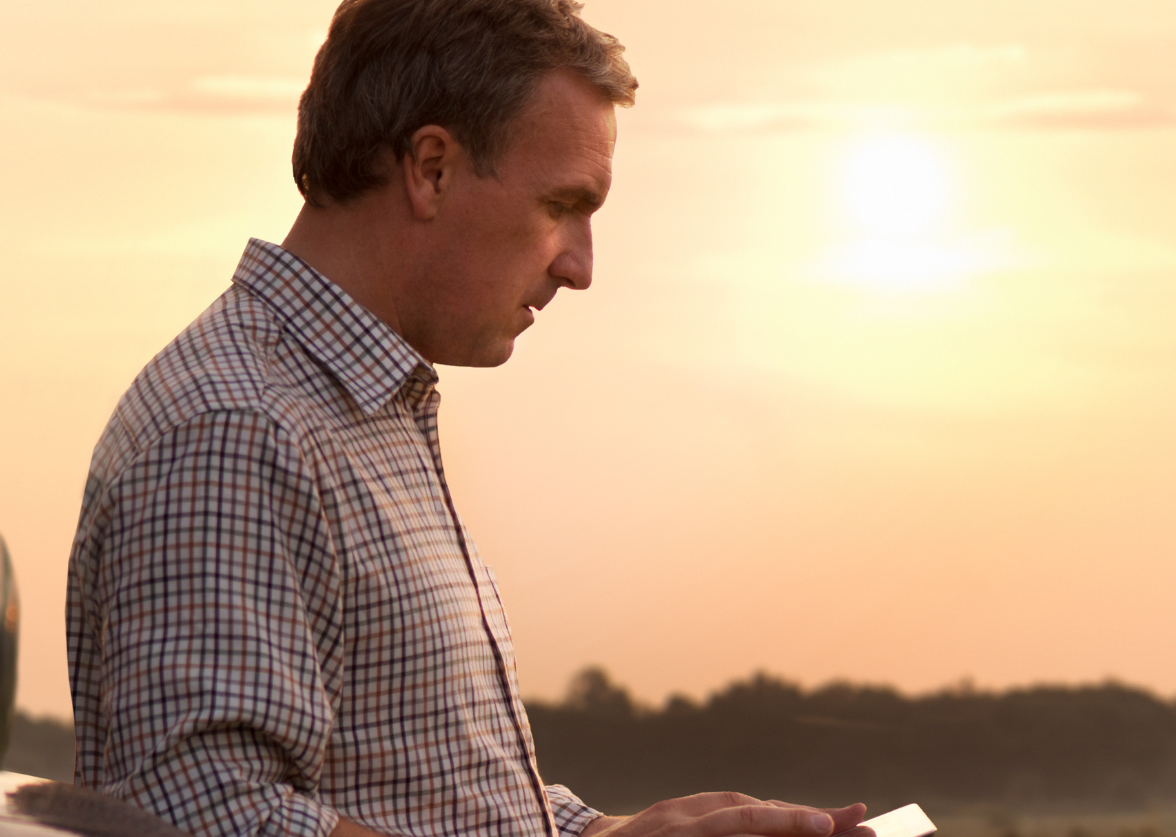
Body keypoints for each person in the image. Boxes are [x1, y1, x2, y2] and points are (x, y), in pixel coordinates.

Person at [66, 2, 872, 837]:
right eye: (562, 203)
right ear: (432, 167)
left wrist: (609, 832)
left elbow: (423, 791)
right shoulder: (235, 428)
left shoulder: (348, 414)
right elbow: (206, 818)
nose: (579, 264)